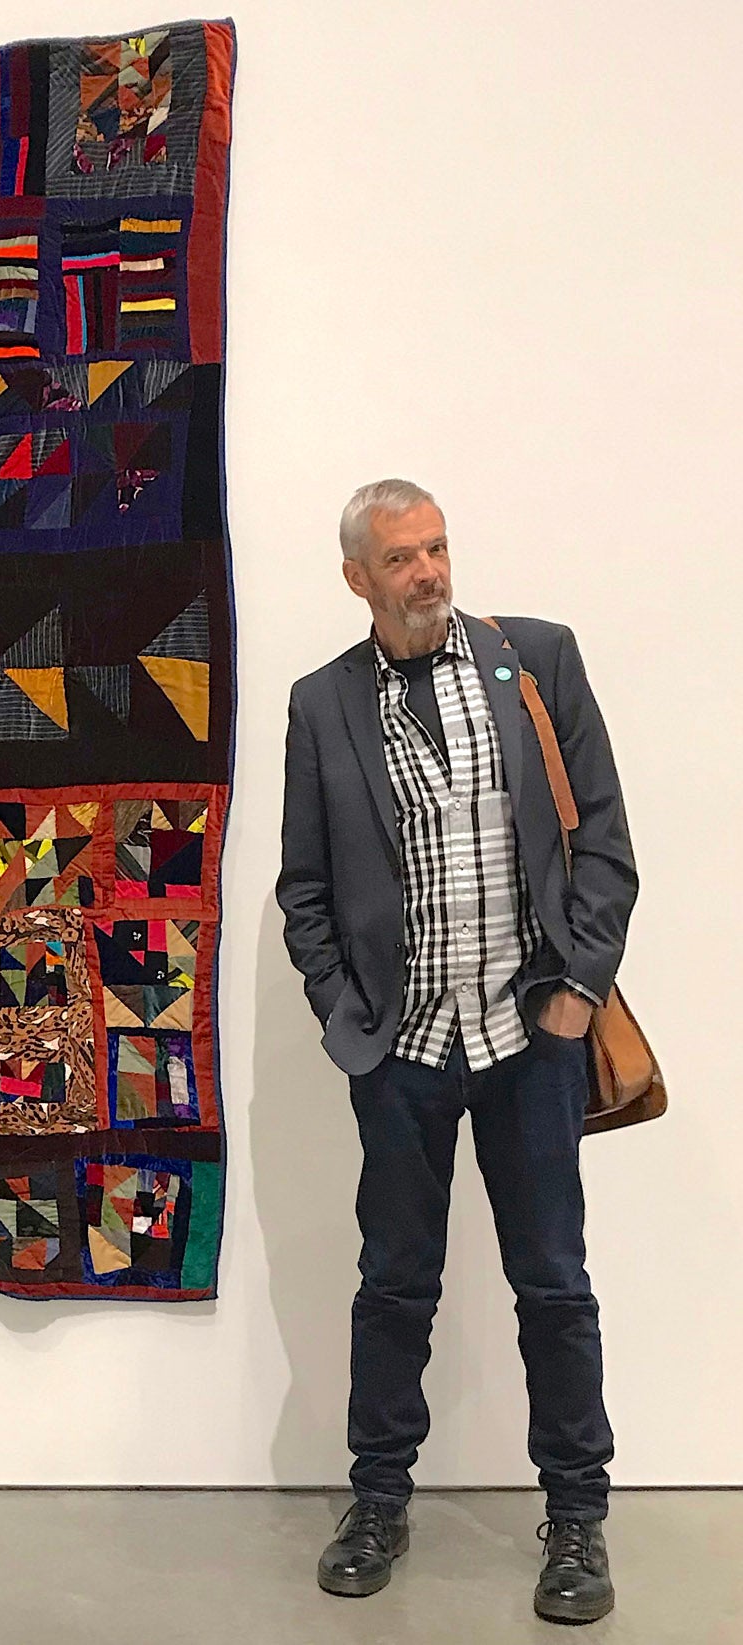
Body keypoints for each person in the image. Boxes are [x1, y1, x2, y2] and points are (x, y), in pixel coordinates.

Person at [275, 479, 637, 1624]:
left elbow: (605, 842)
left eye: (436, 548)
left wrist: (578, 992)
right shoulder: (322, 704)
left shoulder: (535, 661)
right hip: (405, 1050)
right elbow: (305, 888)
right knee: (394, 1283)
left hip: (532, 1036)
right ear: (358, 578)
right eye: (400, 558)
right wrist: (346, 1014)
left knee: (554, 1284)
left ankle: (576, 1515)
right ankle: (378, 1499)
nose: (427, 571)